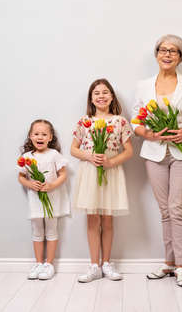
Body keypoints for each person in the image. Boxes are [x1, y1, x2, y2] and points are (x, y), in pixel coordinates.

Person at [132, 34, 182, 287]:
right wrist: (149, 134)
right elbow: (135, 121)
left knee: (178, 208)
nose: (167, 54)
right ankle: (168, 264)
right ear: (156, 54)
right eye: (163, 50)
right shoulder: (143, 85)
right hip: (154, 153)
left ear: (180, 57)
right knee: (165, 210)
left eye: (174, 51)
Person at [71, 78, 133, 283]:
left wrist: (111, 162)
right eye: (96, 93)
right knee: (92, 219)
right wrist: (89, 156)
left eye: (105, 92)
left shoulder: (120, 121)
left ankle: (106, 263)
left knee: (107, 219)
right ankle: (94, 266)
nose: (101, 96)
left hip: (111, 173)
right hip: (90, 173)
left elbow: (129, 151)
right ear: (91, 98)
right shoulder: (84, 122)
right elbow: (74, 149)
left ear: (112, 96)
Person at [18, 119, 71, 280]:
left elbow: (63, 175)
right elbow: (21, 177)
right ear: (30, 136)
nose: (39, 137)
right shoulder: (26, 157)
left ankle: (49, 264)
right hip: (35, 199)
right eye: (36, 134)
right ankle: (39, 263)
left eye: (43, 134)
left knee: (51, 230)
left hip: (52, 199)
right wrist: (30, 184)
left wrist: (52, 185)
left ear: (50, 137)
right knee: (37, 231)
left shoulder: (54, 155)